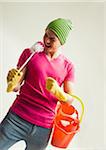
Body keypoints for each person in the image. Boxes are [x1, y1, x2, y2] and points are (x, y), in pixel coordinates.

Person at [0, 18, 75, 150]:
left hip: (43, 128)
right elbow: (17, 86)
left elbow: (70, 100)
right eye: (46, 34)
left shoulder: (67, 66)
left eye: (52, 39)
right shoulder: (31, 53)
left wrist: (58, 92)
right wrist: (12, 82)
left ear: (62, 42)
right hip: (16, 118)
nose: (46, 40)